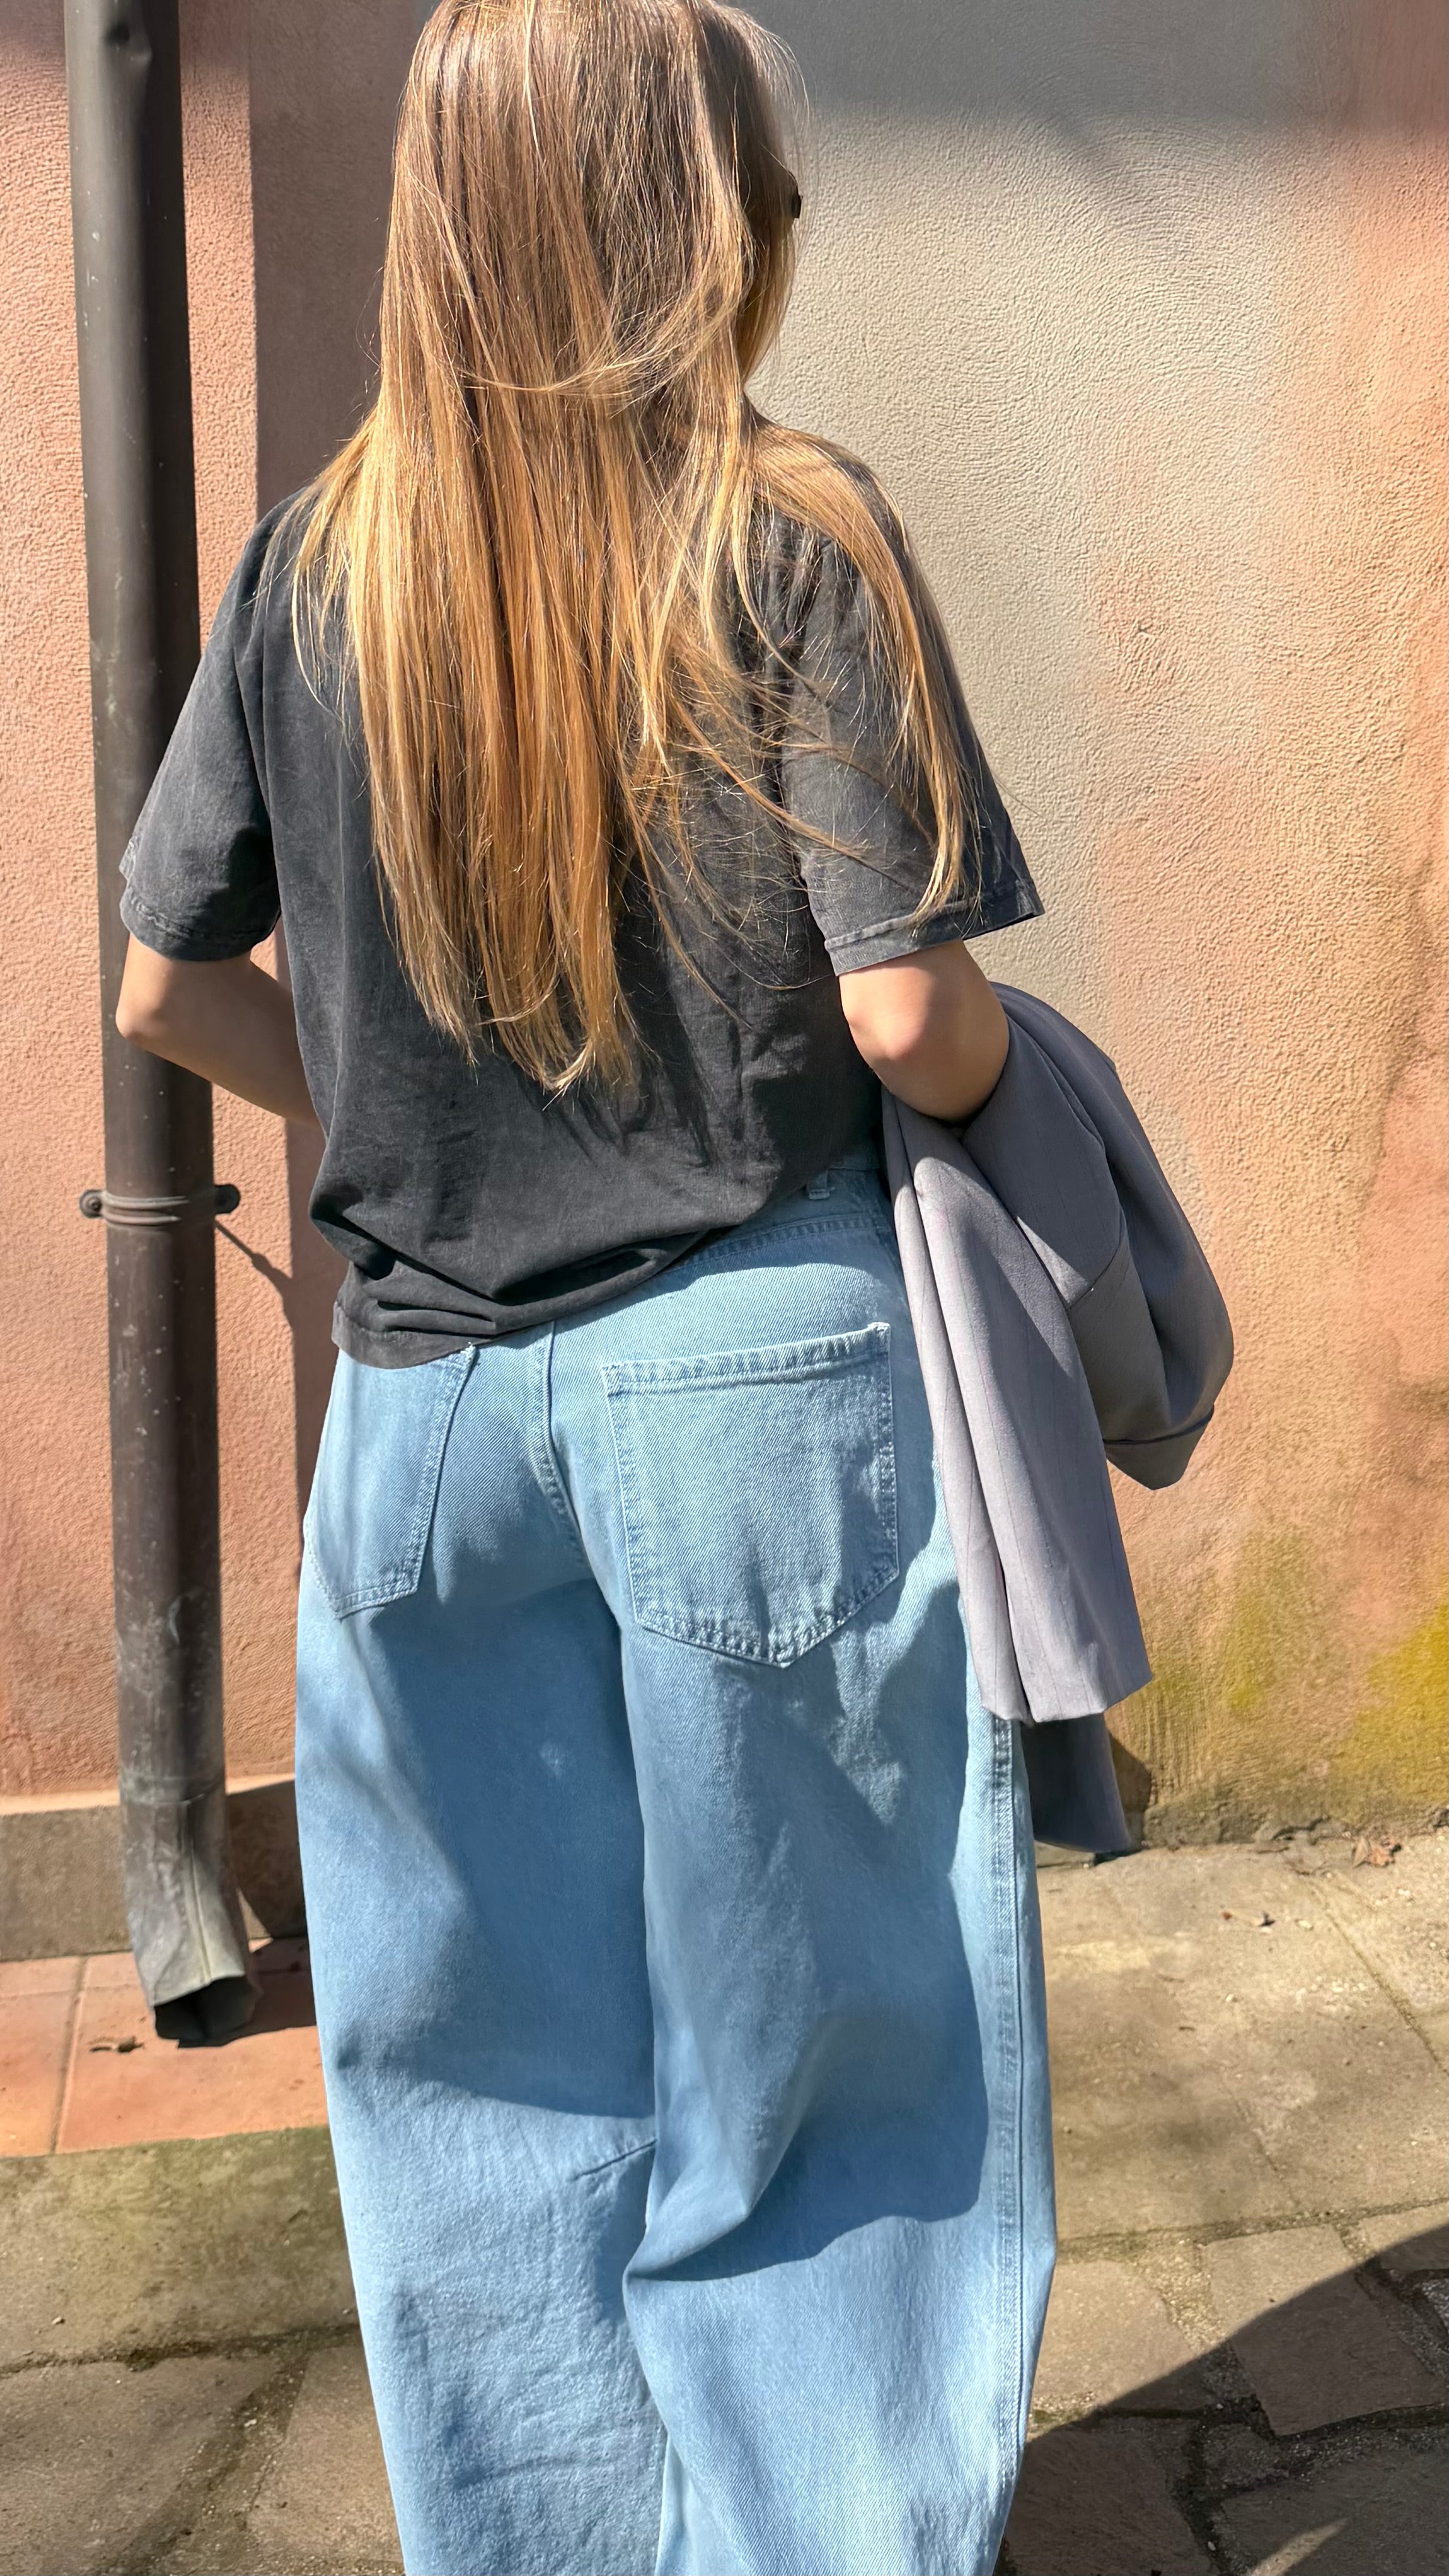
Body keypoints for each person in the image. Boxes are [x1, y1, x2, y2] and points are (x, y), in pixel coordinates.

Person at [116, 5, 1054, 2569]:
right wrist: (1022, 1082)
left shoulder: (313, 557)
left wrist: (388, 1129)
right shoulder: (795, 531)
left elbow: (167, 988)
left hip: (424, 1416)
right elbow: (906, 1014)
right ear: (695, 219)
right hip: (761, 1383)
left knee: (481, 2084)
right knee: (822, 2059)